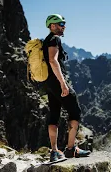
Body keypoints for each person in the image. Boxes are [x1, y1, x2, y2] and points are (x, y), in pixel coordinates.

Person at [42, 14, 91, 161]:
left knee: (54, 115)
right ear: (52, 26)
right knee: (75, 112)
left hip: (49, 83)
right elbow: (53, 60)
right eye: (61, 23)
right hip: (57, 82)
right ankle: (71, 149)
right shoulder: (54, 39)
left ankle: (55, 152)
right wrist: (63, 84)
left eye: (63, 23)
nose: (64, 26)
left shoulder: (46, 41)